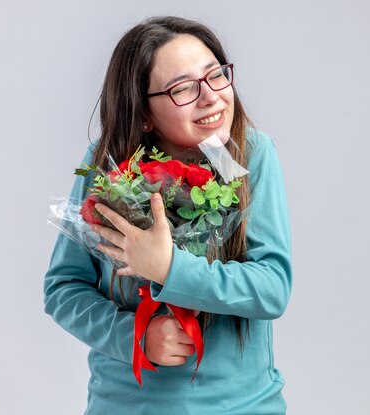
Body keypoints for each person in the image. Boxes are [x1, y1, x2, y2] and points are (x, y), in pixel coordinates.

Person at [44, 16, 292, 415]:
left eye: (216, 76)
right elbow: (63, 289)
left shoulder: (249, 154)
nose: (211, 97)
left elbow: (272, 288)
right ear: (144, 114)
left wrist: (170, 269)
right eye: (183, 89)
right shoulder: (105, 164)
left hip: (240, 407)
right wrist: (137, 337)